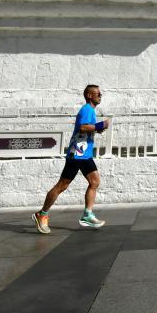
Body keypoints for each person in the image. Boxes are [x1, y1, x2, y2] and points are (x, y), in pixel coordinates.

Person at [32, 84, 111, 233]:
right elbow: (83, 127)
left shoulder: (90, 110)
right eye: (98, 93)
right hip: (77, 155)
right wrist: (101, 124)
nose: (101, 96)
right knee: (62, 186)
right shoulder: (86, 109)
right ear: (89, 95)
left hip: (84, 154)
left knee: (94, 182)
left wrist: (98, 128)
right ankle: (41, 214)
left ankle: (87, 214)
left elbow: (87, 129)